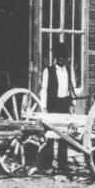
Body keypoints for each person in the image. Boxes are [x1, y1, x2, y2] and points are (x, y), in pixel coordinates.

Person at [39, 42, 82, 172]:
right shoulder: (48, 71)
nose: (61, 59)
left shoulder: (69, 70)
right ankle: (47, 164)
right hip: (53, 105)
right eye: (59, 57)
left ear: (66, 58)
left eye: (64, 57)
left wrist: (73, 104)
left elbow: (72, 87)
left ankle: (62, 164)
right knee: (50, 136)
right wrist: (44, 107)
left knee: (64, 136)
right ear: (56, 58)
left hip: (65, 104)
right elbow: (44, 90)